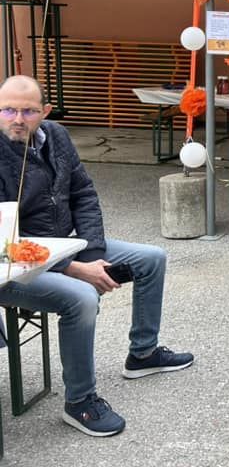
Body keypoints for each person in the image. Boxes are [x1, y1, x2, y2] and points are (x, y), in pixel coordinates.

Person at [0, 76, 194, 436]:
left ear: (45, 111)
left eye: (28, 111)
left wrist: (90, 254)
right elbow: (4, 241)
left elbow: (84, 193)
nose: (18, 119)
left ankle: (143, 354)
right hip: (12, 267)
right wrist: (74, 269)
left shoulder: (56, 135)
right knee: (82, 297)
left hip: (67, 247)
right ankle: (80, 402)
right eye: (9, 110)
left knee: (151, 258)